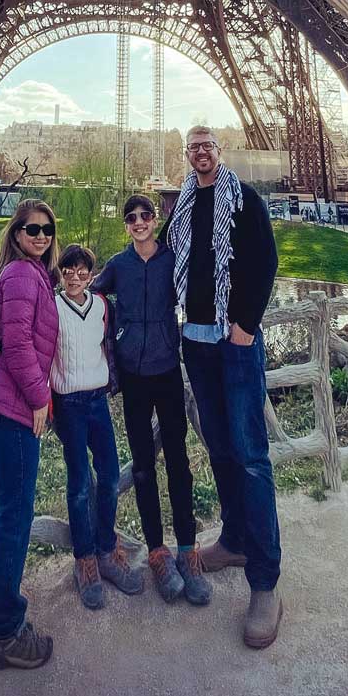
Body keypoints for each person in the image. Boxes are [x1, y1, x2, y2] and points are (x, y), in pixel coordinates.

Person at [165, 126, 282, 649]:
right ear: (187, 155)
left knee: (251, 454)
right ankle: (235, 539)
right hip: (196, 339)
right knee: (219, 448)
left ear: (220, 152)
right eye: (193, 146)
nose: (202, 152)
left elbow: (265, 262)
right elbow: (163, 258)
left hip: (233, 342)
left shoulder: (245, 199)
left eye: (208, 144)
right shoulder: (184, 204)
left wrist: (245, 326)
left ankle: (265, 579)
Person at [91, 194, 211, 606]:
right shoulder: (119, 265)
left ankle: (188, 552)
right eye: (132, 218)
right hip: (134, 378)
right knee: (143, 466)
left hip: (167, 371)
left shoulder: (172, 258)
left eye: (145, 216)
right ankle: (158, 553)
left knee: (178, 460)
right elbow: (85, 295)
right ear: (126, 225)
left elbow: (205, 274)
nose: (139, 222)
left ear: (155, 219)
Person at [0, 199, 60, 670]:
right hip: (13, 406)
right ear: (17, 233)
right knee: (14, 518)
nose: (41, 237)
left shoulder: (28, 273)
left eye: (47, 230)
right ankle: (6, 630)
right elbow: (20, 342)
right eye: (32, 229)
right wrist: (41, 397)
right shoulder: (23, 275)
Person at [51, 244, 144, 609]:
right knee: (78, 484)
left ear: (91, 274)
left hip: (97, 402)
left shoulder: (102, 306)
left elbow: (111, 345)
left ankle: (106, 550)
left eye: (82, 271)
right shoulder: (52, 306)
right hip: (68, 404)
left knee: (107, 477)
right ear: (61, 274)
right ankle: (84, 560)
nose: (75, 277)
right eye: (68, 270)